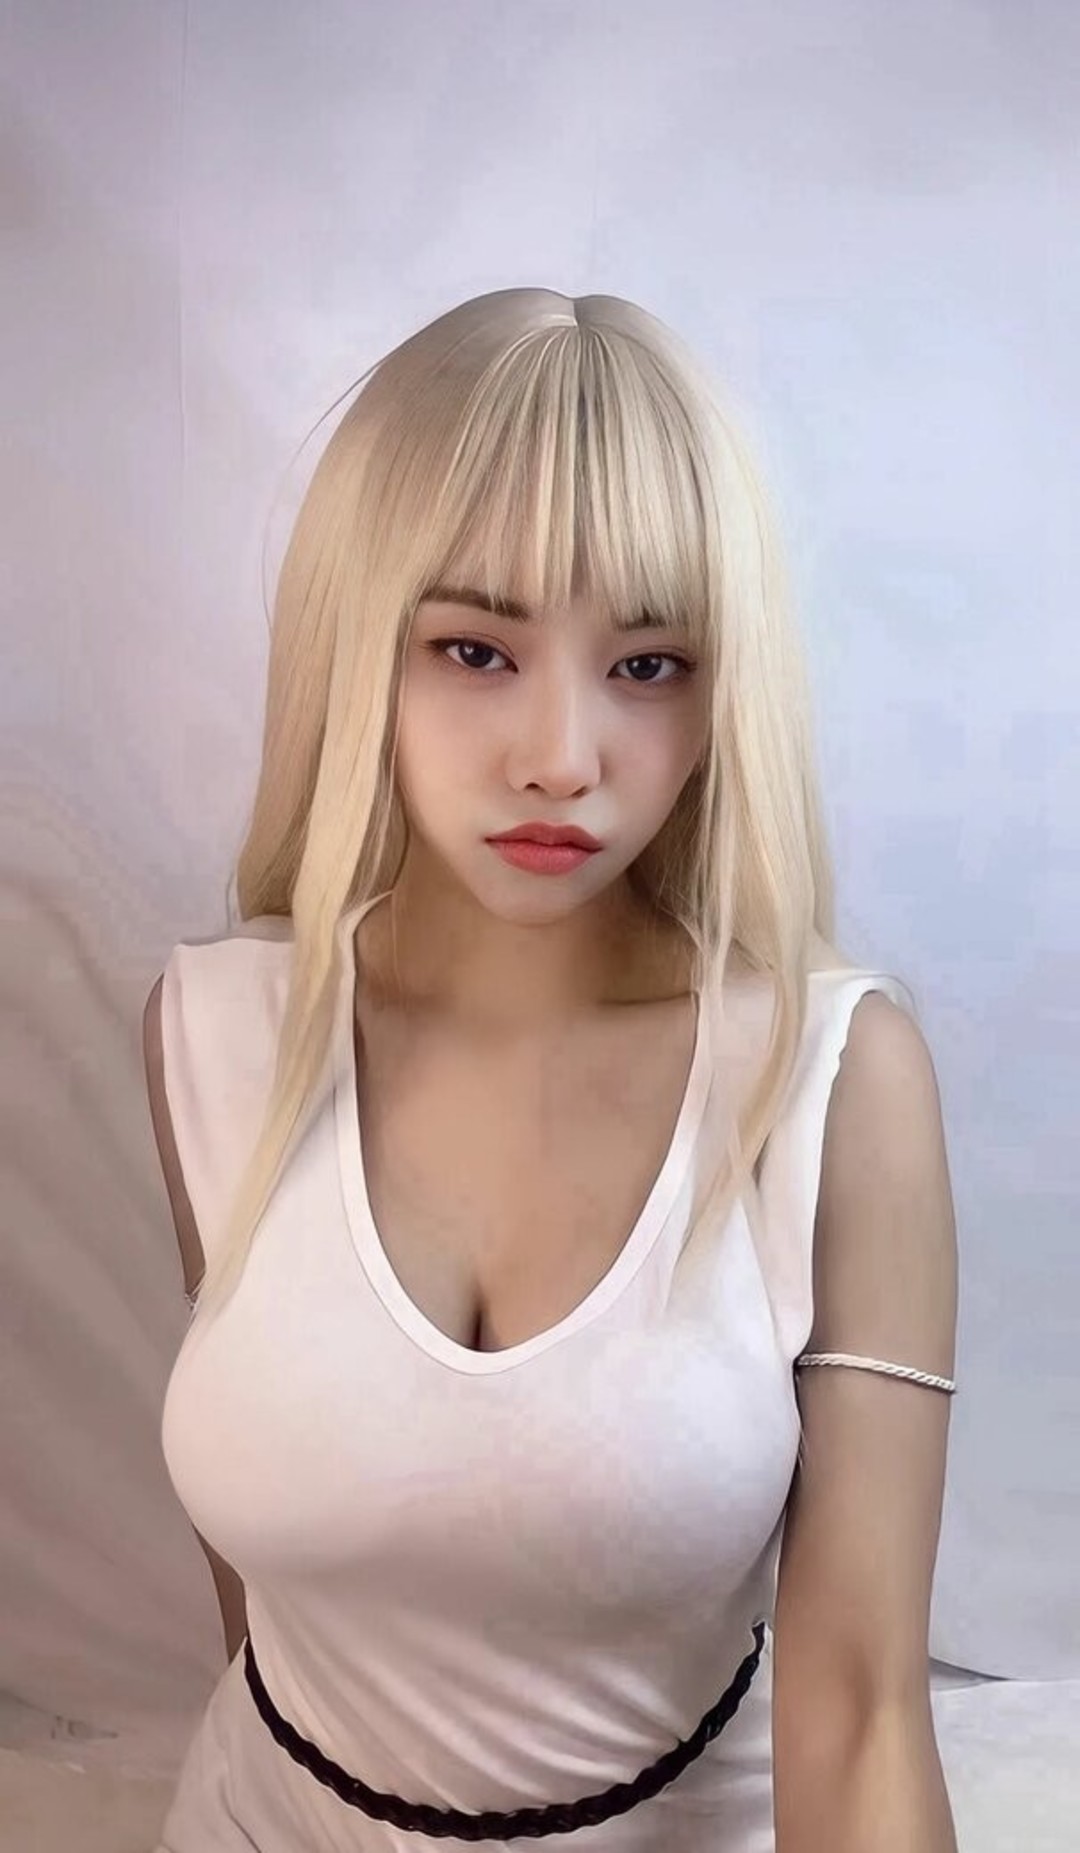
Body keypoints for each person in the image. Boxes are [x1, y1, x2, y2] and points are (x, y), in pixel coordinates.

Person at [143, 288, 959, 1851]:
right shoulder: (218, 1032)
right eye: (475, 648)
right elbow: (267, 1606)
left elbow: (861, 1709)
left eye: (649, 665)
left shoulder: (830, 1082)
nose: (563, 757)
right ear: (356, 644)